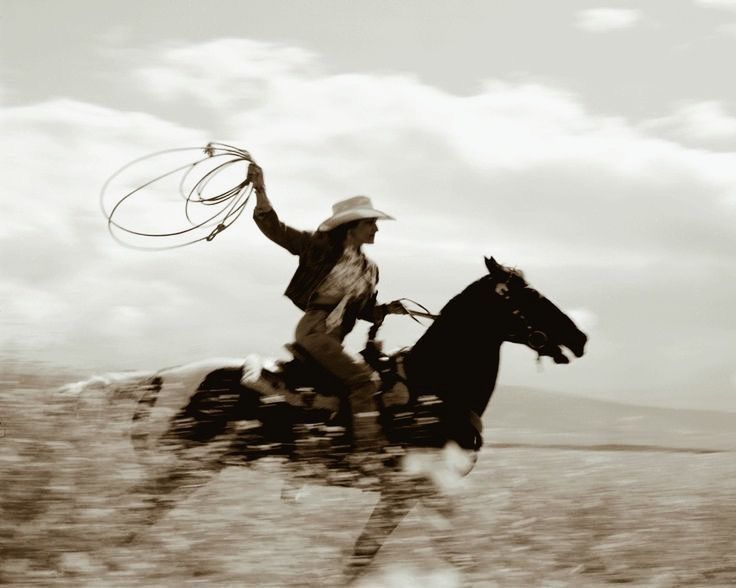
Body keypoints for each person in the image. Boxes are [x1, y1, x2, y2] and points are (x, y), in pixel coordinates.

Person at [247, 163, 406, 459]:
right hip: (315, 330)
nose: (376, 228)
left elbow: (364, 311)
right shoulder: (319, 248)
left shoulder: (370, 269)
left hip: (335, 339)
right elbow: (276, 229)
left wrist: (387, 309)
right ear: (352, 226)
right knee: (363, 381)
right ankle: (368, 453)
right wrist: (260, 190)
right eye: (370, 223)